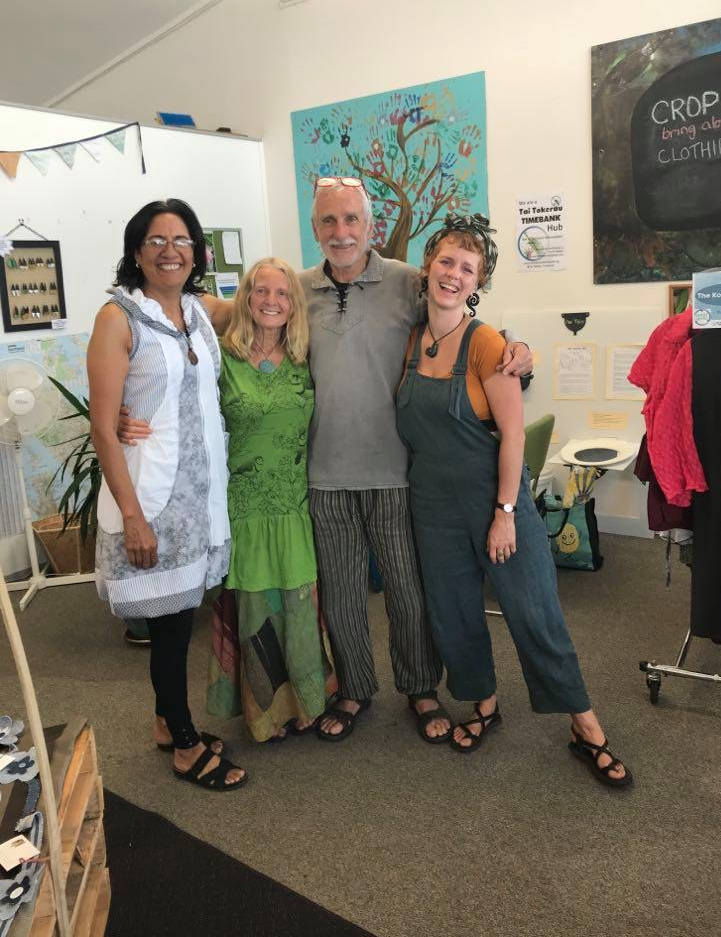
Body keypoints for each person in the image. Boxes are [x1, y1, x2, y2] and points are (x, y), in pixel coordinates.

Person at [395, 212, 632, 786]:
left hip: (496, 503)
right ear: (427, 266)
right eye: (446, 261)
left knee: (534, 613)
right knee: (454, 615)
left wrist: (504, 514)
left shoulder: (488, 344)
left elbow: (513, 437)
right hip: (432, 509)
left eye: (467, 268)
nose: (453, 274)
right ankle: (483, 704)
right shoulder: (409, 340)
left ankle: (585, 725)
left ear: (478, 282)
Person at [299, 177, 534, 743]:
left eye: (352, 219)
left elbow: (462, 317)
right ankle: (354, 688)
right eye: (329, 221)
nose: (341, 232)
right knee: (343, 596)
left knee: (408, 592)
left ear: (370, 226)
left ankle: (421, 687)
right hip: (325, 475)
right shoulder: (298, 289)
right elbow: (243, 315)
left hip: (397, 472)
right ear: (315, 228)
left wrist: (518, 348)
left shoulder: (408, 280)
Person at [88, 198, 247, 791]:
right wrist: (133, 517)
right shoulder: (118, 318)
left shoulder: (198, 310)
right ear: (137, 251)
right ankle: (184, 744)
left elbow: (266, 297)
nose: (170, 251)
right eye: (156, 241)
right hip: (151, 498)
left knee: (179, 616)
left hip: (196, 500)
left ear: (198, 253)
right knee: (171, 626)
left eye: (182, 241)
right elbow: (103, 426)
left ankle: (165, 721)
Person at [205, 258, 336, 741]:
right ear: (246, 297)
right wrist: (128, 417)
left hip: (294, 503)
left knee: (300, 608)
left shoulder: (306, 358)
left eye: (282, 293)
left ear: (294, 304)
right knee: (256, 612)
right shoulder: (222, 358)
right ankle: (264, 713)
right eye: (261, 291)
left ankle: (304, 702)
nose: (271, 301)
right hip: (244, 505)